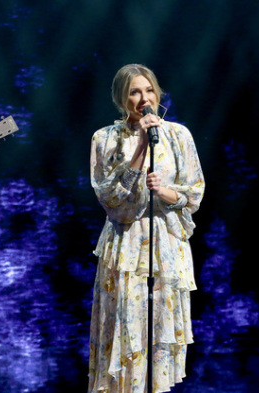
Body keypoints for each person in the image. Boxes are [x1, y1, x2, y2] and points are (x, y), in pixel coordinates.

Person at [88, 64, 205, 393]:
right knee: (126, 337)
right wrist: (140, 146)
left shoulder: (178, 135)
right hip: (125, 246)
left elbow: (193, 194)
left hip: (166, 245)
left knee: (158, 339)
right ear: (121, 98)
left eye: (149, 90)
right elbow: (109, 198)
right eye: (135, 92)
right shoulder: (105, 138)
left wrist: (165, 192)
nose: (144, 98)